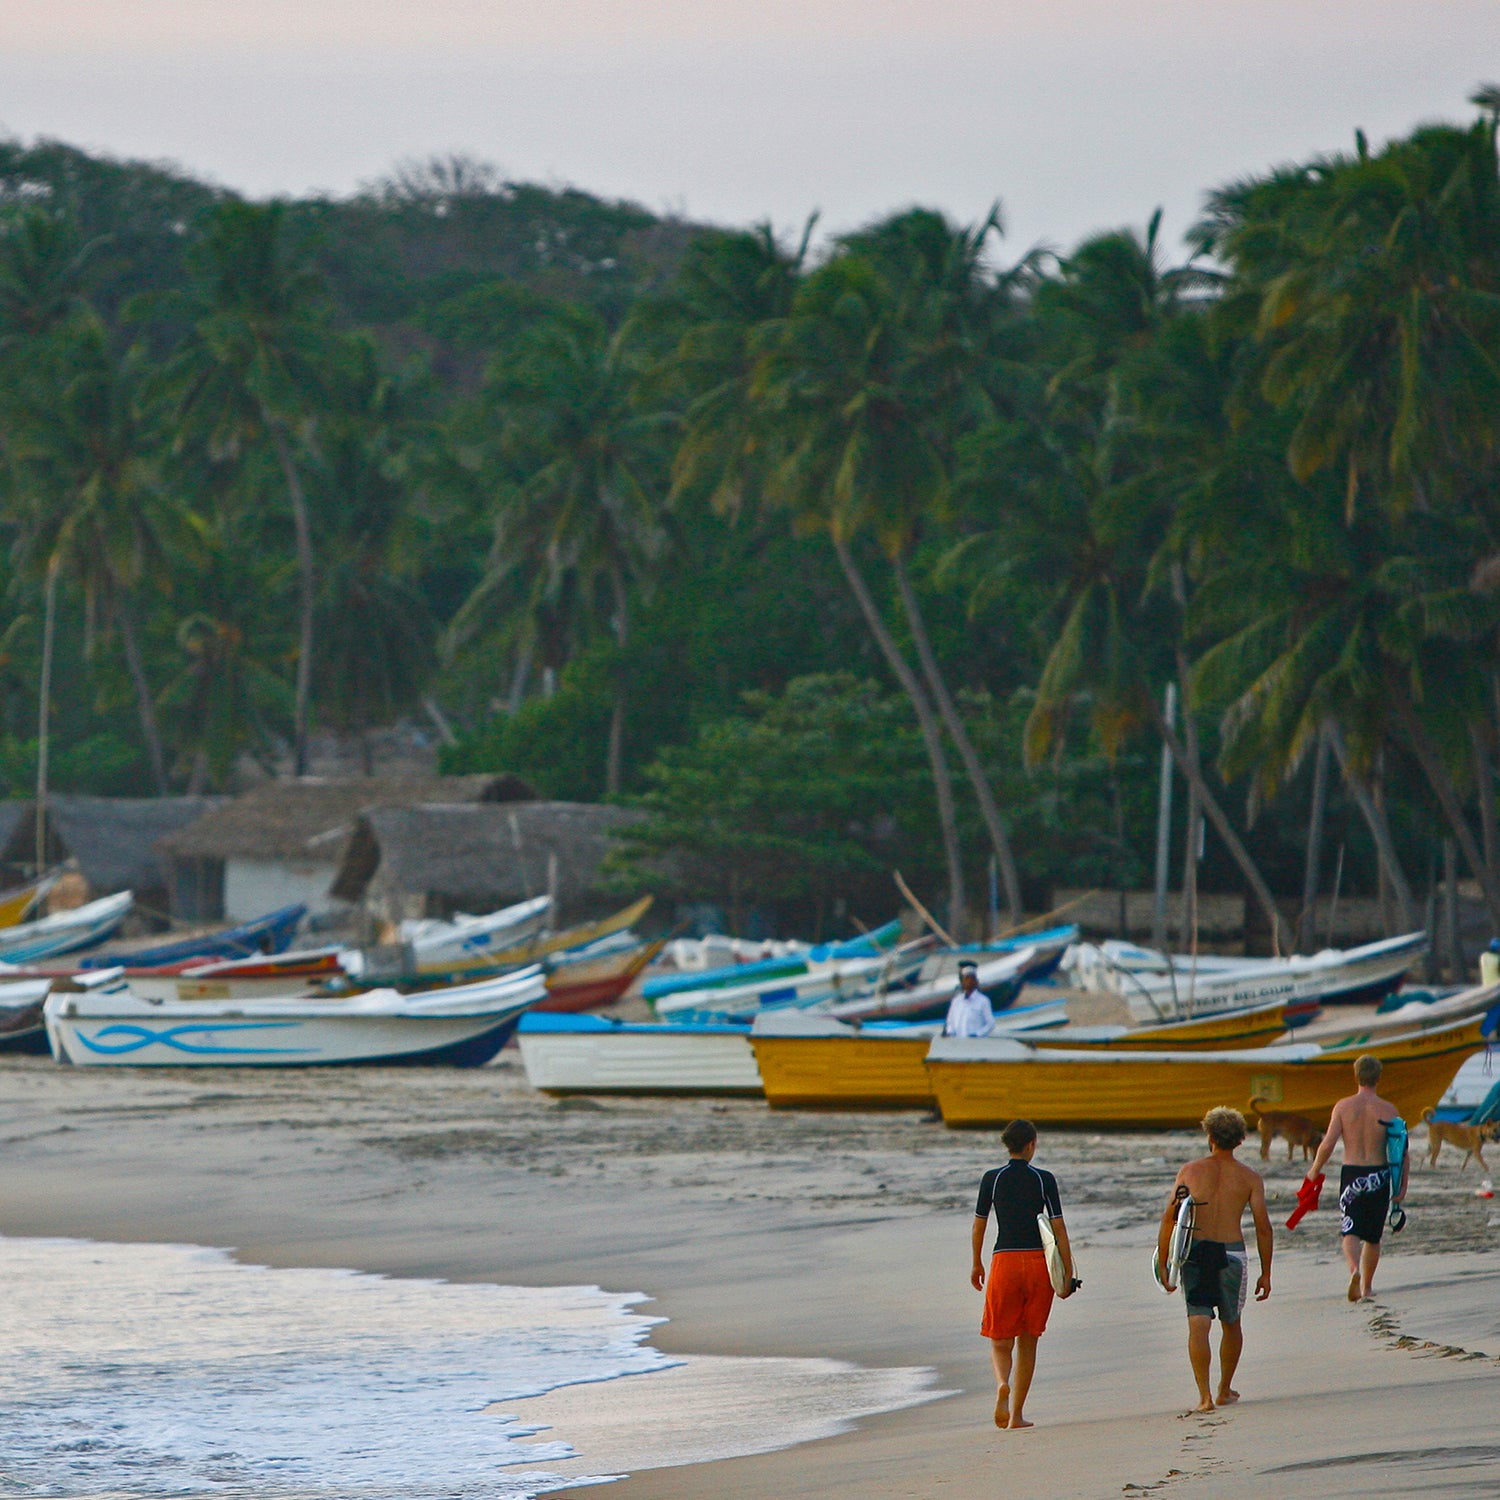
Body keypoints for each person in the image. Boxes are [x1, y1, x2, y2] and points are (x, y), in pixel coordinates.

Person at [1158, 1107, 1272, 1413]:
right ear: (1240, 1140)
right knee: (1231, 1321)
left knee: (1198, 1323)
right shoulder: (1250, 1177)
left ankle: (1204, 1396)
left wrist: (1164, 1263)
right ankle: (1224, 1389)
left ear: (1209, 1136)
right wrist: (1266, 1273)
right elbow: (1263, 1226)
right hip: (1231, 1253)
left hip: (1196, 1252)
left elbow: (1170, 1219)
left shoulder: (1190, 1171)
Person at [970, 1118, 1075, 1430]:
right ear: (1031, 1145)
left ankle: (1002, 1383)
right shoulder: (1044, 1179)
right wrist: (1067, 1273)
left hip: (1005, 1261)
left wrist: (976, 1263)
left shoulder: (993, 1178)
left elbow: (979, 1224)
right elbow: (1058, 1229)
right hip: (1038, 1264)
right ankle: (1016, 1415)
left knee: (1000, 1341)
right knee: (1028, 1341)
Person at [1306, 1055, 1407, 1301]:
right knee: (1373, 1236)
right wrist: (1402, 1186)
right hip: (1379, 1176)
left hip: (1352, 1173)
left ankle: (1353, 1270)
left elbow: (1328, 1143)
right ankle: (1367, 1287)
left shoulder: (1343, 1106)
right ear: (1379, 1077)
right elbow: (1401, 1152)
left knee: (1350, 1229)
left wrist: (1314, 1169)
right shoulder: (1389, 1110)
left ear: (1356, 1076)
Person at [944, 961, 995, 1038]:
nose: (969, 982)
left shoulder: (983, 1001)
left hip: (974, 1044)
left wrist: (977, 1034)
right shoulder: (956, 1001)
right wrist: (950, 1032)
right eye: (966, 979)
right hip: (957, 1043)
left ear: (976, 982)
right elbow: (950, 1021)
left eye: (971, 979)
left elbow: (990, 1024)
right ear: (962, 982)